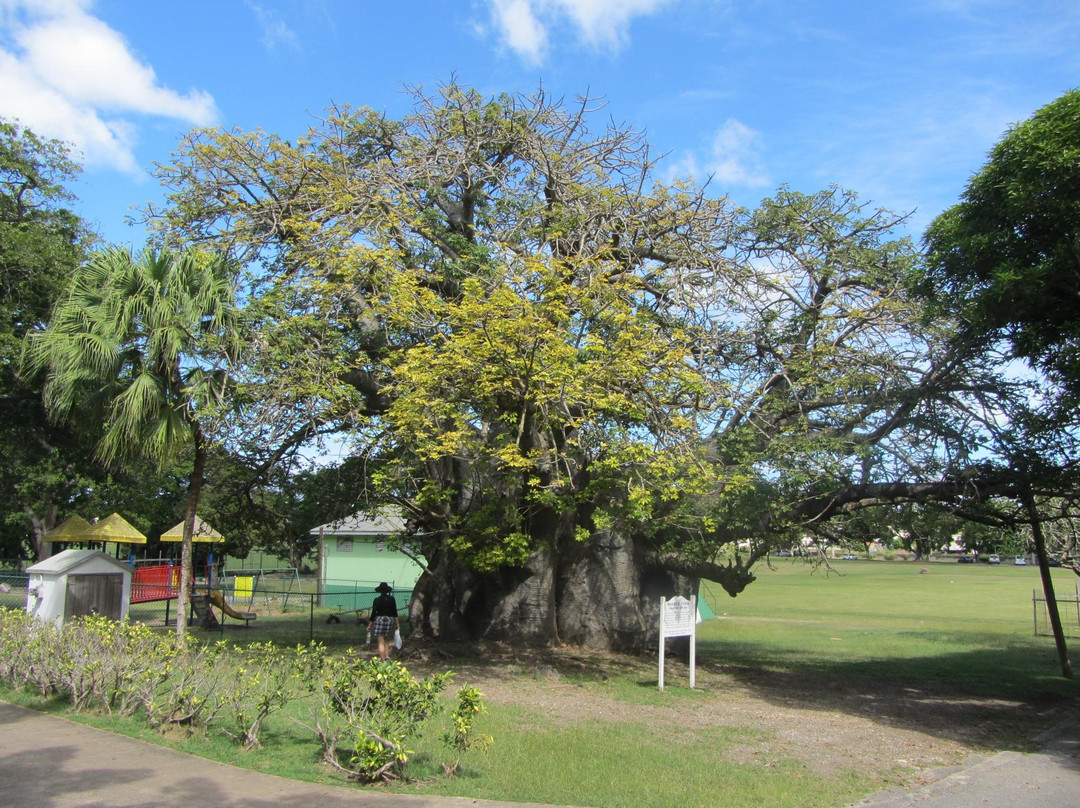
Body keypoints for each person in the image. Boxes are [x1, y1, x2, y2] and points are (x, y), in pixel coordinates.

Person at [369, 582, 399, 660]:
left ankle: (383, 660)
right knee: (386, 639)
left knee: (380, 641)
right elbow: (394, 612)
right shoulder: (392, 599)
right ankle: (387, 656)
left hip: (379, 620)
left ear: (380, 591)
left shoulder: (377, 600)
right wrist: (397, 624)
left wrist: (370, 624)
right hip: (389, 620)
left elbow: (373, 613)